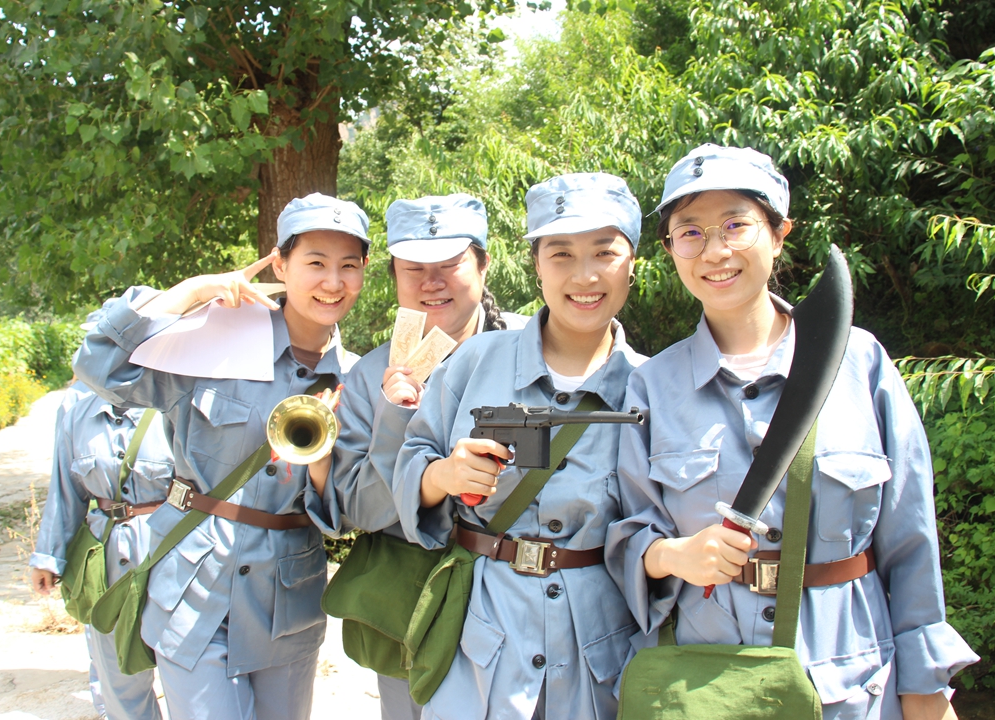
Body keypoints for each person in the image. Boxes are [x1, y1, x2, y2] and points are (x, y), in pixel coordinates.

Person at [605, 144, 978, 720]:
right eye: (691, 233)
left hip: (850, 682)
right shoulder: (652, 385)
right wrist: (674, 555)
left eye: (736, 225)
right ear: (671, 249)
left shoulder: (858, 362)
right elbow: (631, 532)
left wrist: (926, 688)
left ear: (779, 234)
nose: (715, 251)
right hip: (706, 682)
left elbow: (909, 536)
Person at [73, 193, 371, 720]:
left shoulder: (358, 379)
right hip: (193, 589)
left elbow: (344, 515)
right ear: (280, 265)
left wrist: (323, 458)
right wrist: (191, 292)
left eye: (349, 266)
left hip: (286, 605)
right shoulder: (214, 343)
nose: (332, 282)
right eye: (315, 263)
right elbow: (99, 367)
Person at [392, 173, 647, 719]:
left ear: (633, 263)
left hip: (598, 651)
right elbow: (415, 456)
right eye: (561, 254)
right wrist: (442, 476)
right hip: (483, 637)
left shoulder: (652, 387)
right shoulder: (475, 360)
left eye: (604, 252)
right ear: (536, 265)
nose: (584, 275)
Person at [308, 193, 527, 720]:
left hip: (519, 597)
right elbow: (361, 512)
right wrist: (395, 416)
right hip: (414, 606)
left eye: (449, 265)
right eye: (414, 269)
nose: (432, 282)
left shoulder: (535, 347)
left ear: (483, 265)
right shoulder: (369, 377)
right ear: (394, 277)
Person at [30, 380, 173, 720]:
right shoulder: (77, 409)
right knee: (118, 677)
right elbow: (65, 490)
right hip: (106, 555)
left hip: (170, 548)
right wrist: (49, 557)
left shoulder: (175, 401)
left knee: (181, 666)